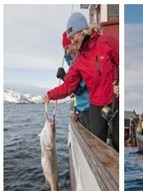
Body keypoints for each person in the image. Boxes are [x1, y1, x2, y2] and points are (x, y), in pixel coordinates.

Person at [45, 12, 119, 150]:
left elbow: (120, 63)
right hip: (96, 105)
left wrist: (119, 84)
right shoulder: (78, 60)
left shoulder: (107, 42)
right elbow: (68, 86)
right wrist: (50, 95)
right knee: (98, 145)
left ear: (82, 31)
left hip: (114, 101)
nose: (72, 42)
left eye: (73, 37)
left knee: (117, 140)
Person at [60, 31, 92, 130]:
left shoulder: (83, 60)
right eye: (65, 50)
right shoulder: (74, 61)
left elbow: (79, 88)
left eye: (67, 47)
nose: (67, 52)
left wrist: (64, 77)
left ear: (73, 43)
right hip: (81, 108)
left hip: (87, 109)